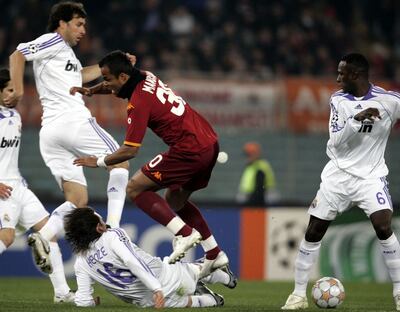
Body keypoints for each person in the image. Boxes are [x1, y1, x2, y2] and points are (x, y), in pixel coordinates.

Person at [71, 50, 229, 278]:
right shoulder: (147, 75)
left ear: (123, 78)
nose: (106, 83)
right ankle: (214, 253)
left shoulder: (137, 103)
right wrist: (93, 90)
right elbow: (115, 84)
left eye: (107, 79)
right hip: (209, 141)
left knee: (135, 188)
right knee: (175, 199)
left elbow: (131, 150)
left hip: (189, 149)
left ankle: (184, 234)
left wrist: (98, 161)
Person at [4, 2, 131, 272]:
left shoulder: (65, 56)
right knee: (121, 161)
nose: (83, 30)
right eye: (78, 24)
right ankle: (115, 229)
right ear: (61, 23)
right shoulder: (52, 40)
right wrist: (16, 87)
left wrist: (110, 65)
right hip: (73, 121)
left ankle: (44, 236)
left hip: (50, 132)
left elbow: (80, 76)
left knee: (77, 200)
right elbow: (18, 54)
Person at [281, 53, 400, 311]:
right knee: (314, 231)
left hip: (371, 178)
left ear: (356, 75)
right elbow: (335, 142)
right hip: (338, 177)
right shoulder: (338, 101)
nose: (338, 78)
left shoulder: (389, 101)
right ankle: (297, 295)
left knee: (384, 226)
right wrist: (357, 119)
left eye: (342, 73)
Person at [64, 207, 236, 308]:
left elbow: (83, 301)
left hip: (150, 302)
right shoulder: (112, 235)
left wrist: (93, 302)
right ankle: (225, 276)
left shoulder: (81, 262)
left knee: (189, 301)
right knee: (195, 269)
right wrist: (155, 287)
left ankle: (214, 300)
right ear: (99, 228)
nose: (103, 221)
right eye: (99, 219)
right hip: (166, 280)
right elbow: (132, 261)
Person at [0, 69, 74, 303]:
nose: (16, 94)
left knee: (47, 233)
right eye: (11, 90)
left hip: (19, 186)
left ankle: (62, 293)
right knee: (7, 237)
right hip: (4, 189)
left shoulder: (15, 116)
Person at [236, 141, 279, 206]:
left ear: (255, 154)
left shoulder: (260, 167)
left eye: (248, 155)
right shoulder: (252, 166)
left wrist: (252, 202)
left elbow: (260, 190)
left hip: (258, 200)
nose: (247, 158)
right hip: (250, 198)